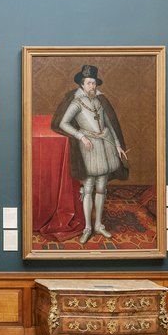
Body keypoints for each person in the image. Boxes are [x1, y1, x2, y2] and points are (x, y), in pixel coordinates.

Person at [52, 64, 128, 244]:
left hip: (106, 144)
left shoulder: (99, 101)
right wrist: (81, 136)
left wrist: (117, 144)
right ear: (82, 85)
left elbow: (109, 124)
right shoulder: (76, 102)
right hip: (90, 147)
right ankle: (87, 227)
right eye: (89, 83)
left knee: (102, 187)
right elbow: (63, 123)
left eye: (94, 83)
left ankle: (99, 225)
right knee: (88, 188)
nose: (92, 87)